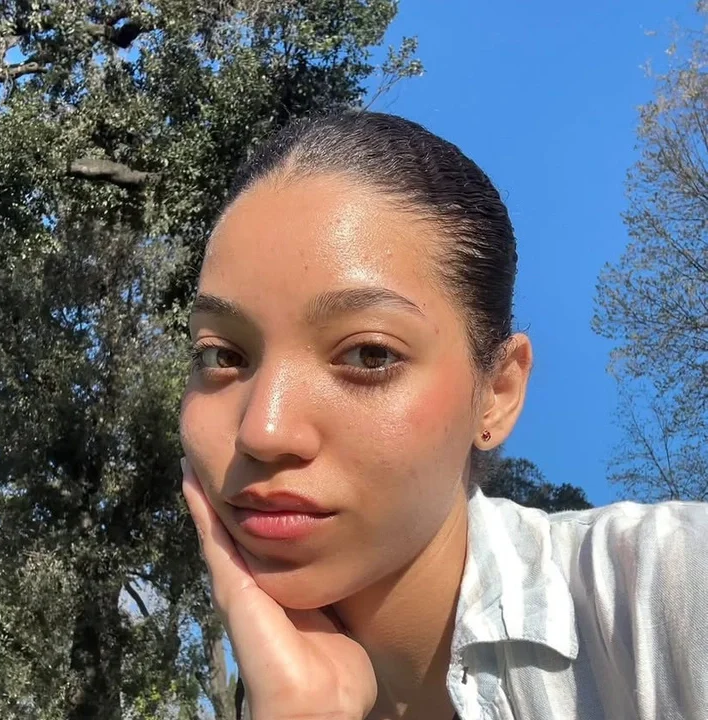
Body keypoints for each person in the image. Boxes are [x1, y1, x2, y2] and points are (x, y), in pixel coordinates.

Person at [179, 111, 708, 720]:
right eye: (221, 355)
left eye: (369, 354)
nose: (263, 432)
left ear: (497, 392)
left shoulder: (665, 595)